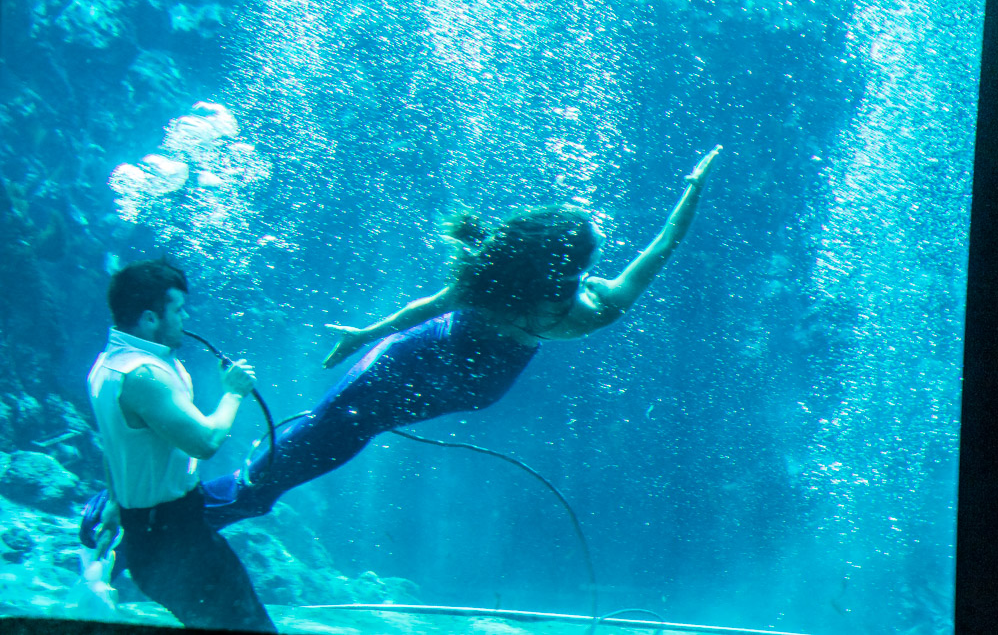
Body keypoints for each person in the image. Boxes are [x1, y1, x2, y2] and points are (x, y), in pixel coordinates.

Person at [83, 144, 721, 534]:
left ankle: (200, 504)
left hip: (424, 354)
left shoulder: (497, 282)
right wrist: (693, 188)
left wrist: (365, 333)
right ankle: (229, 501)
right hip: (473, 387)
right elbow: (663, 248)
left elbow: (428, 307)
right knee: (346, 431)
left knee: (334, 425)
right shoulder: (587, 312)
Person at [85, 259, 275, 632]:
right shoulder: (143, 374)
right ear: (149, 319)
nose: (185, 317)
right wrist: (234, 393)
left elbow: (115, 444)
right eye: (177, 310)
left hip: (153, 536)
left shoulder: (106, 364)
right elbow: (205, 442)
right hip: (176, 542)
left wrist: (114, 502)